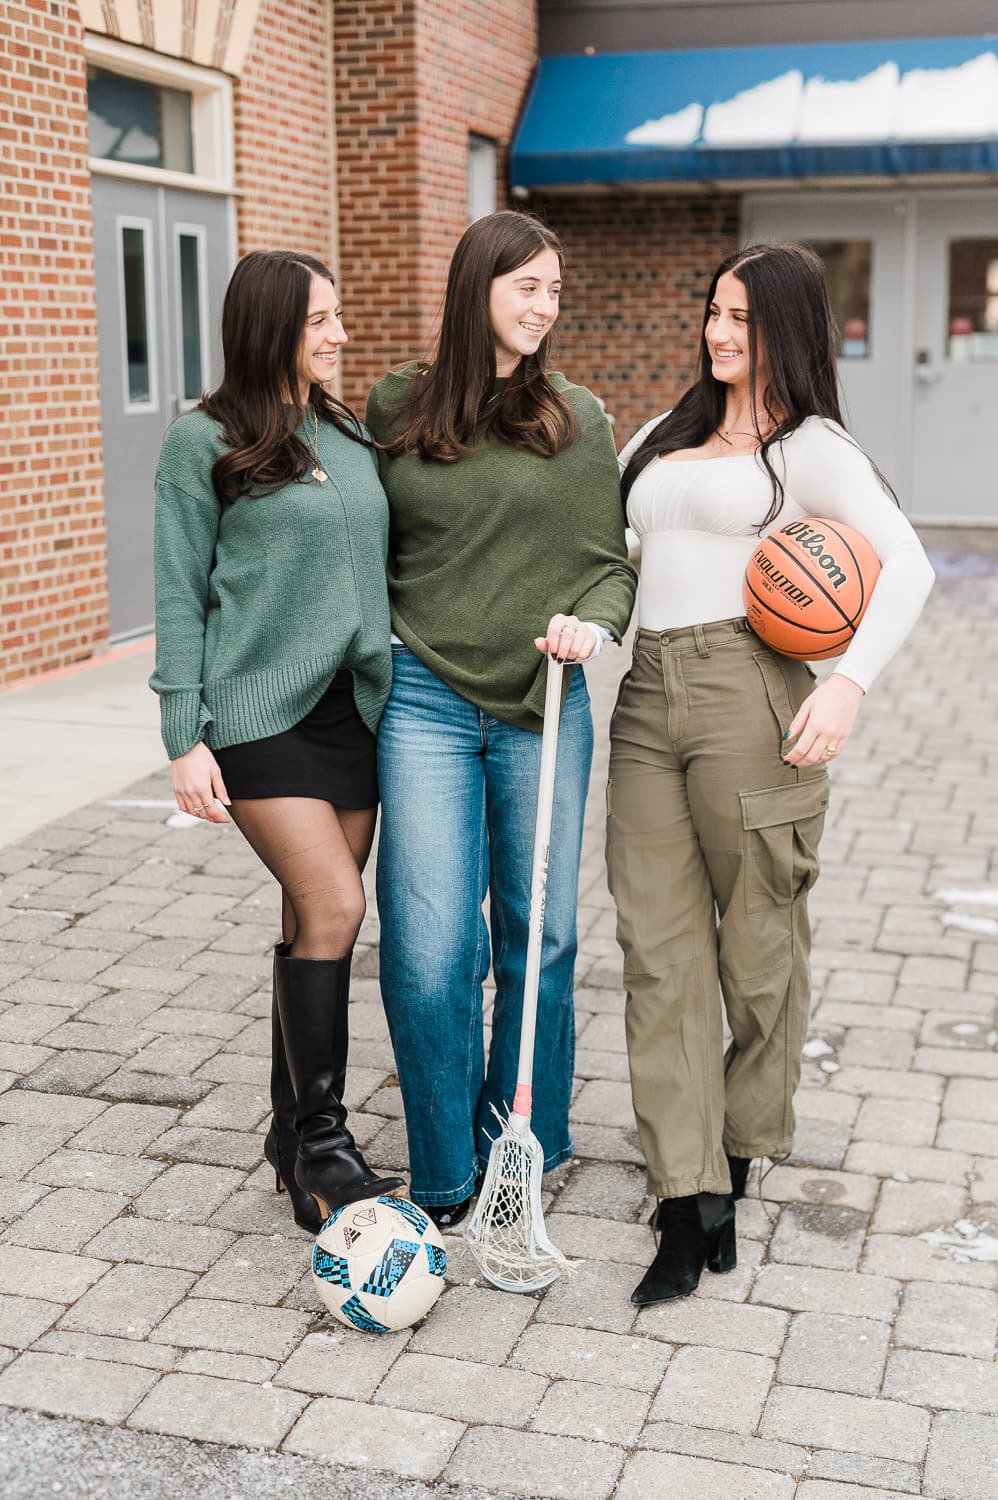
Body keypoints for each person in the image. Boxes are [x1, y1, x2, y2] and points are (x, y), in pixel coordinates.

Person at [607, 242, 935, 1305]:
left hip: (753, 693)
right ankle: (684, 1194)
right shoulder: (663, 438)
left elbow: (909, 566)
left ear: (786, 327)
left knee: (756, 948)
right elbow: (614, 556)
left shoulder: (811, 452)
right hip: (644, 699)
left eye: (741, 317)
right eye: (712, 310)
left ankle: (743, 1138)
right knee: (655, 949)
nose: (718, 332)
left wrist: (843, 687)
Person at [365, 211, 637, 1229]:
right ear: (476, 283)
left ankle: (525, 1139)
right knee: (431, 947)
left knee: (541, 934)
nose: (544, 306)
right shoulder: (396, 402)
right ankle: (441, 1177)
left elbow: (608, 567)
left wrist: (591, 628)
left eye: (555, 292)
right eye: (527, 285)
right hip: (421, 699)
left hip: (540, 701)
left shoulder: (576, 417)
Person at [151, 249, 404, 1233]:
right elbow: (176, 588)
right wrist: (184, 733)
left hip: (352, 712)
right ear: (269, 330)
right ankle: (326, 1149)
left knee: (316, 922)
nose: (339, 335)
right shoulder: (199, 439)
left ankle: (289, 1138)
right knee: (336, 903)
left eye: (338, 317)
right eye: (320, 321)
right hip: (257, 714)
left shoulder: (345, 431)